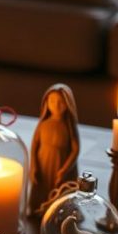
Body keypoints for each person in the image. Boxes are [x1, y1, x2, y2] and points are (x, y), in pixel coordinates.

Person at [28, 83, 80, 216]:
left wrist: (65, 169)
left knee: (58, 189)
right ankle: (38, 208)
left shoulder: (69, 127)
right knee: (42, 187)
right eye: (52, 101)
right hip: (43, 163)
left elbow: (75, 149)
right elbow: (34, 147)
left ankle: (57, 212)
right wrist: (34, 166)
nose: (56, 105)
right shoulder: (43, 124)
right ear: (46, 102)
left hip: (60, 163)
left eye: (61, 102)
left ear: (68, 104)